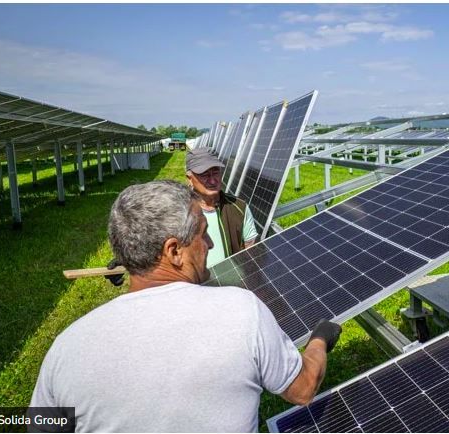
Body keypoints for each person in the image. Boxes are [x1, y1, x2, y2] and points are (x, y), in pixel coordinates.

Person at [30, 180, 342, 432]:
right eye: (203, 235)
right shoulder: (241, 311)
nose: (209, 245)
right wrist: (320, 340)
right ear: (174, 251)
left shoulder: (67, 347)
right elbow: (302, 390)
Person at [186, 147, 259, 267]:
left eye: (215, 173)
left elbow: (251, 248)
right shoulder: (180, 212)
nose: (213, 181)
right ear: (189, 179)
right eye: (204, 175)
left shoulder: (238, 207)